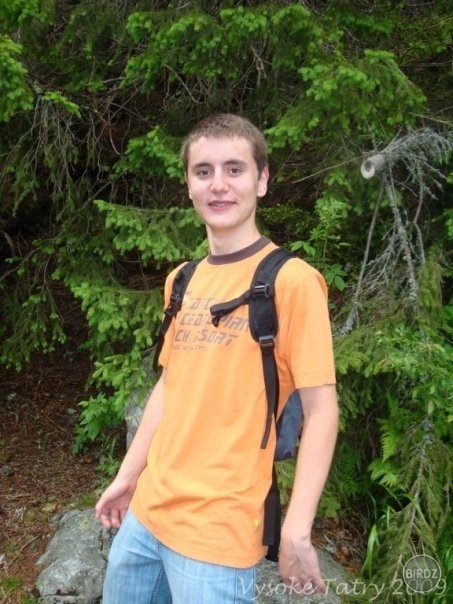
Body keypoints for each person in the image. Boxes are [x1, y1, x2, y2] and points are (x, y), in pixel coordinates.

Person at [95, 113, 339, 603]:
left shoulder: (292, 282)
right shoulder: (181, 280)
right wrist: (128, 476)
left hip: (218, 534)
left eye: (235, 169)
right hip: (146, 515)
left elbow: (322, 410)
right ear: (189, 185)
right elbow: (170, 385)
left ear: (261, 180)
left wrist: (296, 528)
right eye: (203, 171)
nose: (219, 185)